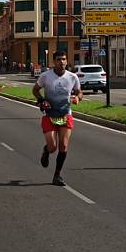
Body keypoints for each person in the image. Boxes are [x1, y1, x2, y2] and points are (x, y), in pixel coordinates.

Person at [32, 50, 83, 186]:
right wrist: (42, 100)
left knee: (63, 146)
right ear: (54, 61)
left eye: (64, 59)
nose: (62, 62)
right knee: (53, 147)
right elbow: (35, 90)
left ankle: (57, 175)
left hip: (66, 114)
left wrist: (77, 98)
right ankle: (46, 150)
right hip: (49, 114)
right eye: (59, 59)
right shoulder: (45, 76)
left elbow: (79, 91)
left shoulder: (72, 77)